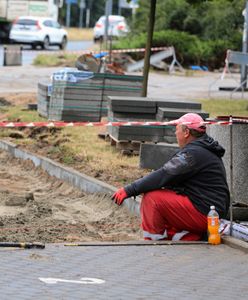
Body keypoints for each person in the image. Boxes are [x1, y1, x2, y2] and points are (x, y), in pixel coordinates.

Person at [112, 113, 230, 241]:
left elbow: (164, 174)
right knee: (165, 194)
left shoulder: (192, 154)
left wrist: (130, 189)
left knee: (153, 199)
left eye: (177, 129)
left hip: (205, 213)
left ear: (186, 132)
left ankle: (153, 242)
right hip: (209, 210)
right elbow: (169, 177)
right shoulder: (202, 149)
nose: (175, 133)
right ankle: (189, 236)